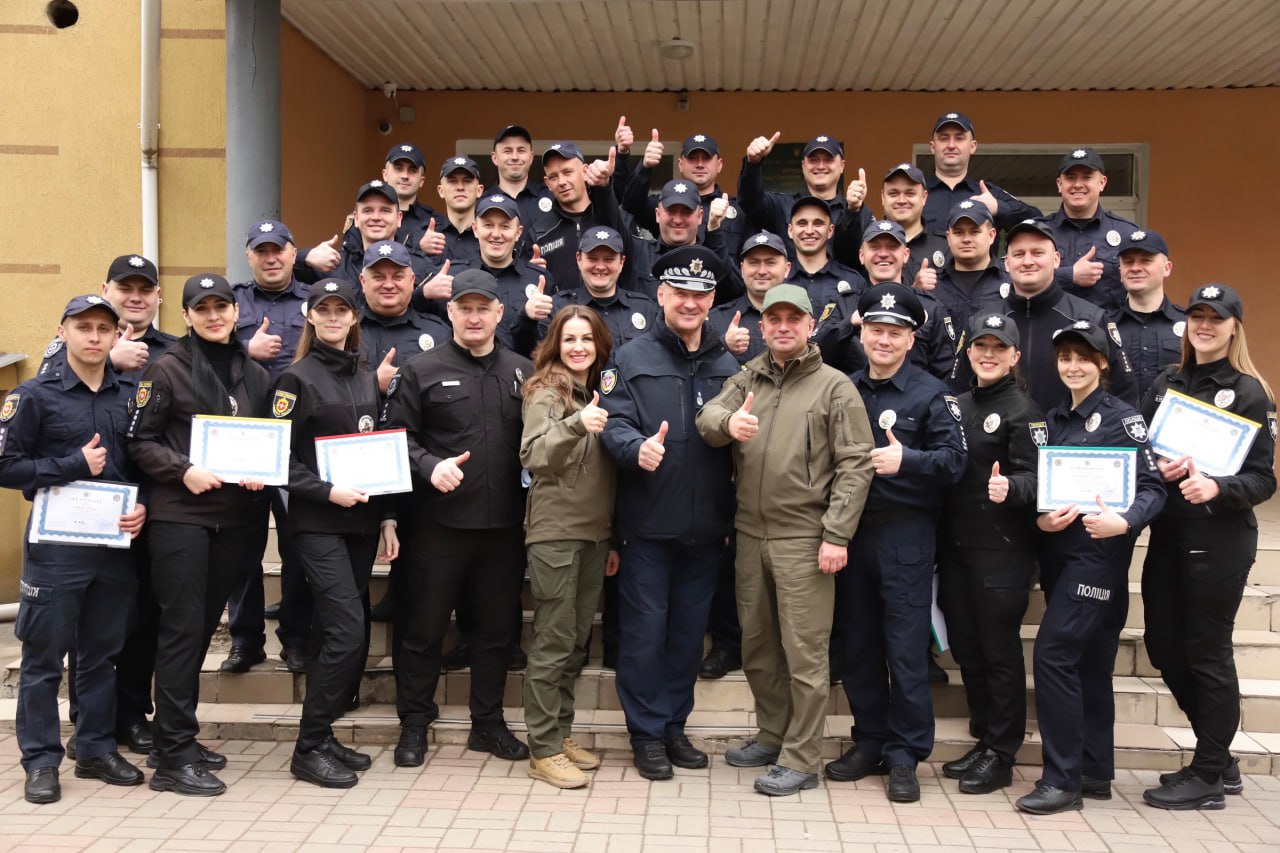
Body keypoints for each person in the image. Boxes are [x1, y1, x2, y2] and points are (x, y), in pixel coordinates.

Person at [697, 284, 874, 796]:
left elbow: (856, 464)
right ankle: (773, 735)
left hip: (805, 538)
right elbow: (707, 420)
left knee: (804, 654)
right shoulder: (747, 377)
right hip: (751, 535)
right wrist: (730, 421)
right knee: (757, 647)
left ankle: (801, 757)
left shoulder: (834, 387)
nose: (782, 327)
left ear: (810, 326)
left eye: (792, 319)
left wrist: (837, 533)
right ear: (762, 325)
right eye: (773, 318)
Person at [382, 268, 534, 768]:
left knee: (494, 633)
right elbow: (395, 439)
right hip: (437, 527)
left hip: (503, 528)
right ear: (450, 312)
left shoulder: (523, 371)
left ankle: (487, 724)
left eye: (482, 308)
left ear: (499, 313)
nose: (473, 317)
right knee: (424, 630)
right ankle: (414, 723)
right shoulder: (419, 370)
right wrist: (429, 465)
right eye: (464, 308)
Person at [0, 295, 149, 804]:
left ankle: (95, 749)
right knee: (43, 659)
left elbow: (144, 463)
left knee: (101, 656)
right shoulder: (33, 395)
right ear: (62, 332)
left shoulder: (131, 396)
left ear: (116, 336)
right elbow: (6, 467)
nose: (94, 336)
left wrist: (144, 506)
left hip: (112, 547)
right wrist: (71, 465)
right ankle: (41, 761)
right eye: (83, 327)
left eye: (104, 329)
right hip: (56, 550)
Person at [127, 273, 271, 796]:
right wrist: (183, 469)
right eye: (202, 308)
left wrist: (261, 468)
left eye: (221, 307)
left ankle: (176, 736)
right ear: (186, 316)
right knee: (182, 630)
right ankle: (172, 758)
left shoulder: (254, 374)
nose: (213, 316)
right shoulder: (165, 369)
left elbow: (264, 438)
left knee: (203, 626)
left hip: (233, 520)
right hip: (180, 518)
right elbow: (139, 441)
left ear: (236, 312)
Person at [599, 244, 739, 780]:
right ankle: (646, 733)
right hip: (647, 528)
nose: (689, 302)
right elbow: (612, 422)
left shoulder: (728, 364)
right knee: (644, 636)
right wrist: (635, 447)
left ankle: (674, 726)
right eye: (680, 292)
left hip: (707, 529)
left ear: (711, 301)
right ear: (660, 295)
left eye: (700, 294)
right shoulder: (630, 358)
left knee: (686, 637)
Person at [1014, 320, 1165, 815]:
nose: (1073, 366)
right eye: (1065, 358)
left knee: (1053, 655)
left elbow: (1153, 488)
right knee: (1091, 663)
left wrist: (1125, 521)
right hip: (1060, 558)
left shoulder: (1124, 418)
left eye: (1083, 357)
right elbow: (1044, 491)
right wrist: (1042, 520)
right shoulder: (1053, 418)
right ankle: (1094, 771)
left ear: (1102, 363)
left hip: (1098, 561)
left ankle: (1061, 780)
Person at [823, 282, 966, 804]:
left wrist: (909, 460)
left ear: (911, 339)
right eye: (876, 330)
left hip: (905, 534)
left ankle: (905, 754)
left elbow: (955, 462)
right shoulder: (844, 388)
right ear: (862, 334)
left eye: (895, 333)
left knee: (905, 650)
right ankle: (869, 741)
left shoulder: (932, 393)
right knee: (858, 644)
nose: (883, 340)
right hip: (851, 532)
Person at [1139, 283, 1276, 810]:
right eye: (1197, 315)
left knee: (1206, 653)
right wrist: (1155, 468)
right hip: (1168, 535)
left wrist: (1219, 487)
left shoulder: (1250, 392)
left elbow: (1263, 479)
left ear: (1234, 327)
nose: (1204, 325)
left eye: (1216, 318)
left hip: (1218, 542)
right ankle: (1218, 758)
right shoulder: (1166, 383)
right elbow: (1141, 450)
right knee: (1162, 645)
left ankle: (1209, 777)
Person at [36, 254, 175, 759]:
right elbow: (50, 393)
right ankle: (88, 727)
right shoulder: (71, 347)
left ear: (158, 297)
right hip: (79, 522)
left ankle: (130, 716)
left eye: (145, 289)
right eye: (125, 288)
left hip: (142, 514)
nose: (135, 296)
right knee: (86, 631)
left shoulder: (173, 350)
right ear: (107, 290)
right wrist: (110, 360)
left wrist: (150, 502)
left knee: (139, 620)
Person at [271, 279, 400, 788]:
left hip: (361, 524)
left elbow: (377, 452)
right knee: (348, 631)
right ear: (310, 316)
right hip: (317, 523)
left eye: (340, 310)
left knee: (338, 630)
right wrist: (326, 491)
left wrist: (387, 517)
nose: (331, 317)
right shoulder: (294, 379)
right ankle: (307, 747)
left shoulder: (366, 378)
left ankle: (323, 736)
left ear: (353, 317)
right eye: (322, 309)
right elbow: (276, 458)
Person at [937, 312, 1043, 794]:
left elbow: (1039, 477)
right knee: (967, 646)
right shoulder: (957, 404)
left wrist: (1013, 487)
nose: (988, 354)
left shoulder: (1024, 410)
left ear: (1014, 356)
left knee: (998, 651)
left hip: (1002, 551)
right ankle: (984, 738)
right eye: (980, 345)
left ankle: (1001, 753)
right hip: (957, 547)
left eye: (999, 347)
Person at [520, 306, 617, 789]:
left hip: (594, 533)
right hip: (556, 532)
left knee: (576, 641)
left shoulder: (597, 390)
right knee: (554, 640)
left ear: (600, 345)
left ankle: (560, 734)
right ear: (556, 345)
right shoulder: (547, 392)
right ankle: (542, 748)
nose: (578, 347)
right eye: (569, 339)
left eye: (587, 339)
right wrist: (578, 423)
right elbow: (532, 453)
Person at [227, 219, 312, 675]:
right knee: (243, 545)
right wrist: (245, 348)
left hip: (297, 442)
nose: (271, 257)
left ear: (294, 253)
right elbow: (204, 353)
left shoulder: (313, 300)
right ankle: (245, 639)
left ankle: (296, 639)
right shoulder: (231, 302)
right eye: (261, 251)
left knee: (298, 545)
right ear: (250, 257)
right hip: (246, 438)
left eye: (278, 249)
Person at [948, 219, 1137, 412]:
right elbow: (957, 393)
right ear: (1007, 263)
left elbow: (1123, 393)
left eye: (1037, 253)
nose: (1027, 261)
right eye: (1019, 254)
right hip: (998, 430)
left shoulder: (1090, 319)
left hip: (1069, 430)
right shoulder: (980, 323)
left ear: (1056, 259)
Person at [737, 133, 871, 258]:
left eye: (828, 159)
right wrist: (753, 164)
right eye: (813, 160)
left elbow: (857, 258)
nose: (820, 166)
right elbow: (750, 202)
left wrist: (852, 211)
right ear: (803, 166)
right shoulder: (782, 205)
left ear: (842, 166)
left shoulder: (860, 213)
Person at [1043, 147, 1140, 313]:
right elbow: (1012, 278)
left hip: (1107, 327)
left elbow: (1144, 283)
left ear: (1102, 183)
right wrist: (1069, 275)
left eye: (1087, 177)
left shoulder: (1126, 233)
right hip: (1051, 326)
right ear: (1060, 184)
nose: (1078, 185)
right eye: (1070, 178)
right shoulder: (1038, 232)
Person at [622, 132, 748, 259]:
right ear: (681, 164)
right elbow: (631, 205)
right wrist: (645, 167)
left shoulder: (737, 209)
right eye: (692, 158)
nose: (700, 164)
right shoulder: (664, 205)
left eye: (706, 158)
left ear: (719, 165)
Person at [921, 111, 1041, 240]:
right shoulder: (915, 194)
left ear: (972, 146)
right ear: (933, 147)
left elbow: (1038, 222)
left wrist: (998, 208)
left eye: (959, 138)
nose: (951, 145)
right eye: (944, 138)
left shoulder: (989, 194)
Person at [834, 163, 946, 291]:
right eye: (893, 194)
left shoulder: (944, 246)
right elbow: (842, 252)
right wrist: (853, 210)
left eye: (910, 193)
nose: (902, 200)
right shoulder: (865, 240)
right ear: (883, 197)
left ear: (924, 197)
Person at [531, 141, 624, 294]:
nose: (562, 182)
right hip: (559, 309)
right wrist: (529, 274)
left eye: (568, 172)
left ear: (585, 171)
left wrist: (604, 185)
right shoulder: (539, 233)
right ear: (547, 183)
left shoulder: (610, 218)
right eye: (553, 177)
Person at [1110, 229, 1184, 401]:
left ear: (1167, 268)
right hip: (1118, 419)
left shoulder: (1189, 325)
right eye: (1128, 262)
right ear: (1120, 272)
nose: (1135, 268)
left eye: (1146, 261)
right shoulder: (1105, 326)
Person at [930, 202, 1008, 346]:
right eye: (958, 233)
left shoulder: (1011, 282)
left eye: (974, 232)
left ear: (991, 236)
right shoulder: (932, 285)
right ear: (948, 237)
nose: (966, 239)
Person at [785, 196, 867, 322]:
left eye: (818, 223)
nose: (809, 231)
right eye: (802, 223)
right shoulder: (779, 280)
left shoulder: (853, 282)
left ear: (830, 231)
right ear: (790, 230)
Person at [425, 156, 484, 264]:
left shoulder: (489, 237)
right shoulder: (425, 237)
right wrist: (421, 250)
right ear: (441, 191)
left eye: (467, 181)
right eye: (452, 181)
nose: (460, 187)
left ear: (479, 190)